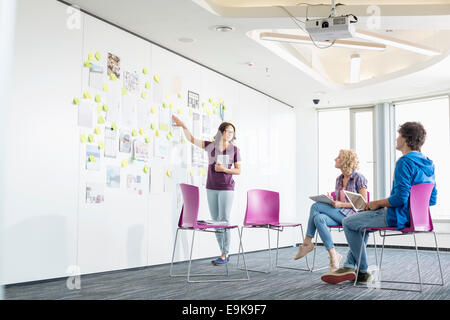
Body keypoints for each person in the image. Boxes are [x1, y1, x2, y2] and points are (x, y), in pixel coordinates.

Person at [321, 121, 437, 284]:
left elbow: (399, 199)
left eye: (399, 135)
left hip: (399, 217)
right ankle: (349, 265)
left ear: (405, 138)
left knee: (348, 222)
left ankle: (362, 271)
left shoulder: (405, 162)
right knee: (360, 224)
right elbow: (432, 199)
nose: (397, 139)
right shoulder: (429, 164)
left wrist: (377, 203)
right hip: (418, 219)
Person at [172, 115, 242, 266]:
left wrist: (224, 169)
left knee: (224, 220)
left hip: (226, 188)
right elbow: (191, 139)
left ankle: (225, 252)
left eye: (232, 132)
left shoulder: (234, 150)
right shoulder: (211, 146)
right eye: (228, 131)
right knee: (215, 221)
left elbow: (238, 171)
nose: (231, 134)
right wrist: (184, 126)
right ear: (221, 132)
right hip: (211, 187)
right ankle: (223, 252)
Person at [295, 150, 368, 272]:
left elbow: (362, 204)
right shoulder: (339, 179)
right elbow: (338, 202)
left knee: (316, 207)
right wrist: (331, 200)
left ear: (345, 161)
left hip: (352, 216)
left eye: (338, 157)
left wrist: (340, 204)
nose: (335, 159)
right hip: (340, 213)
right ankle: (333, 254)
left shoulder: (359, 178)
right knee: (318, 218)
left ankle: (307, 243)